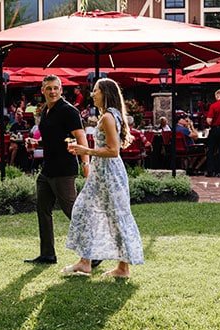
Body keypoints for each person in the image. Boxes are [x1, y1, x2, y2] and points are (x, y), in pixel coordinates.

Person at [63, 78, 144, 277]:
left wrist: (85, 150)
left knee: (116, 216)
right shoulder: (108, 116)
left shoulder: (108, 117)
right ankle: (85, 262)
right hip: (100, 175)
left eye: (96, 91)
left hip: (109, 175)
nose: (92, 94)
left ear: (106, 93)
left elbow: (113, 150)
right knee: (84, 210)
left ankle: (122, 268)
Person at [24, 74, 91, 266]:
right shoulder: (46, 111)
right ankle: (48, 254)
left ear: (61, 90)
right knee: (43, 210)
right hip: (47, 170)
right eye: (49, 88)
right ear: (42, 90)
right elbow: (54, 139)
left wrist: (86, 164)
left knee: (73, 212)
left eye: (56, 88)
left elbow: (81, 137)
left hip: (64, 170)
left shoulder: (68, 111)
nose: (52, 91)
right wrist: (37, 143)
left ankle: (94, 252)